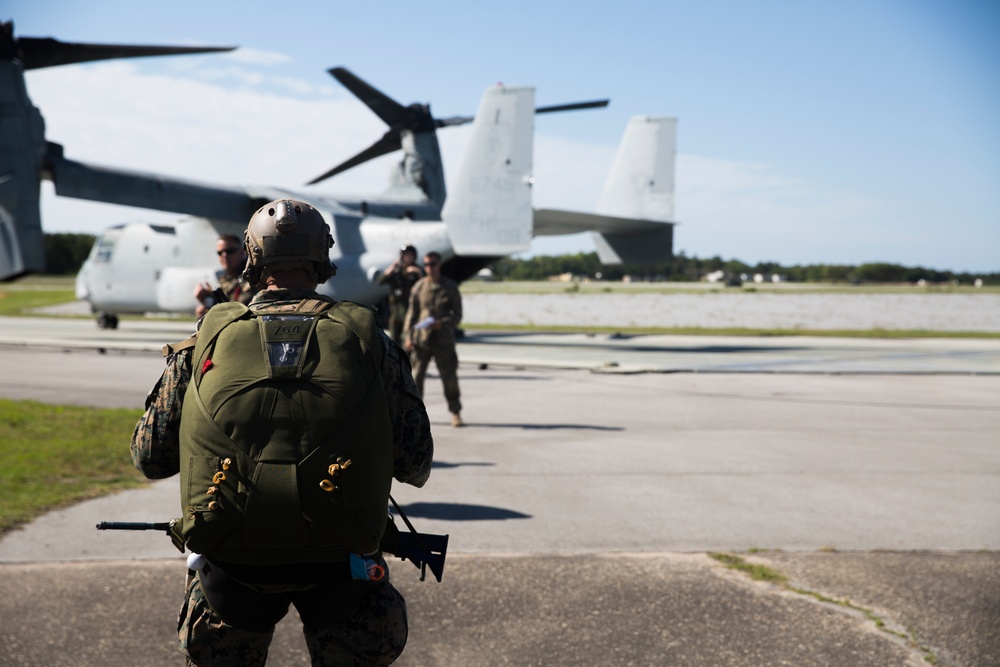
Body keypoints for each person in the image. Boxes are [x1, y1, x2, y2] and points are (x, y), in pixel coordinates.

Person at [131, 198, 433, 666]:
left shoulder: (205, 340)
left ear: (252, 258)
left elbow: (150, 457)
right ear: (321, 256)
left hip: (231, 567)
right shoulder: (370, 340)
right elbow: (414, 462)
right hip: (342, 563)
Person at [403, 251, 463, 427]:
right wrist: (409, 336)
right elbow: (411, 314)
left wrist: (441, 323)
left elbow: (457, 316)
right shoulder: (419, 287)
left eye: (433, 264)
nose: (429, 268)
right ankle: (415, 417)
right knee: (417, 379)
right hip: (422, 341)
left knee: (449, 378)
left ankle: (455, 412)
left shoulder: (449, 287)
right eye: (427, 264)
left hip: (443, 341)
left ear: (439, 264)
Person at [194, 235, 256, 318]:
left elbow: (240, 310)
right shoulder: (224, 279)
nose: (224, 255)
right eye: (220, 253)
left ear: (242, 252)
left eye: (230, 251)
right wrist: (207, 300)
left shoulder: (252, 277)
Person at [377, 245, 424, 346]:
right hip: (396, 311)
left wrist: (417, 272)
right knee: (394, 341)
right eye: (405, 255)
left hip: (410, 311)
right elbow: (381, 280)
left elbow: (425, 285)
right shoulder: (397, 271)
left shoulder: (417, 271)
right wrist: (392, 267)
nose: (407, 258)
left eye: (409, 255)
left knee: (409, 341)